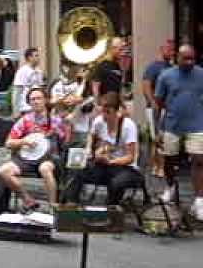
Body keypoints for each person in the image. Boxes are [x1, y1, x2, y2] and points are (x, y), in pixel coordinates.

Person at [0, 87, 68, 210]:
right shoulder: (25, 120)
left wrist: (62, 129)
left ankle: (53, 205)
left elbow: (65, 142)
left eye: (38, 98)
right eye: (32, 99)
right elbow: (8, 143)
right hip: (26, 159)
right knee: (3, 170)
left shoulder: (55, 120)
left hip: (48, 158)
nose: (35, 101)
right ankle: (27, 200)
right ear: (29, 103)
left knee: (45, 168)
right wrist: (24, 141)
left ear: (45, 100)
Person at [63, 92, 142, 205]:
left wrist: (111, 161)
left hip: (125, 167)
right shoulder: (99, 121)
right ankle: (72, 204)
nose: (104, 115)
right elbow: (92, 135)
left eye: (108, 112)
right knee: (77, 171)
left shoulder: (128, 126)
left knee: (116, 183)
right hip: (105, 166)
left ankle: (111, 209)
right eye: (102, 111)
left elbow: (130, 157)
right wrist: (90, 149)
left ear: (117, 111)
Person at [155, 44, 203, 220]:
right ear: (178, 58)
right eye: (186, 58)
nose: (190, 62)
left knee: (199, 160)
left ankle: (199, 200)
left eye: (192, 58)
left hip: (197, 124)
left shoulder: (201, 74)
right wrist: (158, 129)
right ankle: (170, 188)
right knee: (169, 159)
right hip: (172, 124)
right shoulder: (166, 75)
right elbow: (158, 103)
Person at [142, 39, 175, 178]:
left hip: (168, 108)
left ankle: (158, 166)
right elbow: (146, 85)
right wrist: (152, 102)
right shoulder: (153, 67)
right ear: (162, 49)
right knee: (157, 137)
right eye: (169, 49)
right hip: (155, 108)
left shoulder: (172, 68)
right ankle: (158, 166)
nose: (171, 52)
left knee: (163, 137)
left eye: (173, 49)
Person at [12, 48, 45, 119]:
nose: (39, 58)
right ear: (30, 58)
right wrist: (16, 110)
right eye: (36, 56)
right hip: (25, 107)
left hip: (37, 107)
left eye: (38, 56)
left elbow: (41, 89)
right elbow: (17, 91)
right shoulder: (22, 71)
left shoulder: (39, 72)